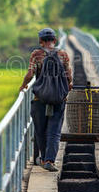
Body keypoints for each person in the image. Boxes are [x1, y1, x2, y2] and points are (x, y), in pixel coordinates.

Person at [19, 28, 72, 171]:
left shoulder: (36, 54)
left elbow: (30, 74)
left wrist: (24, 85)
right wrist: (66, 88)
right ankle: (50, 160)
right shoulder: (63, 54)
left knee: (40, 130)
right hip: (58, 100)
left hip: (40, 98)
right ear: (54, 40)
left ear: (41, 41)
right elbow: (69, 77)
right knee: (54, 131)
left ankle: (42, 158)